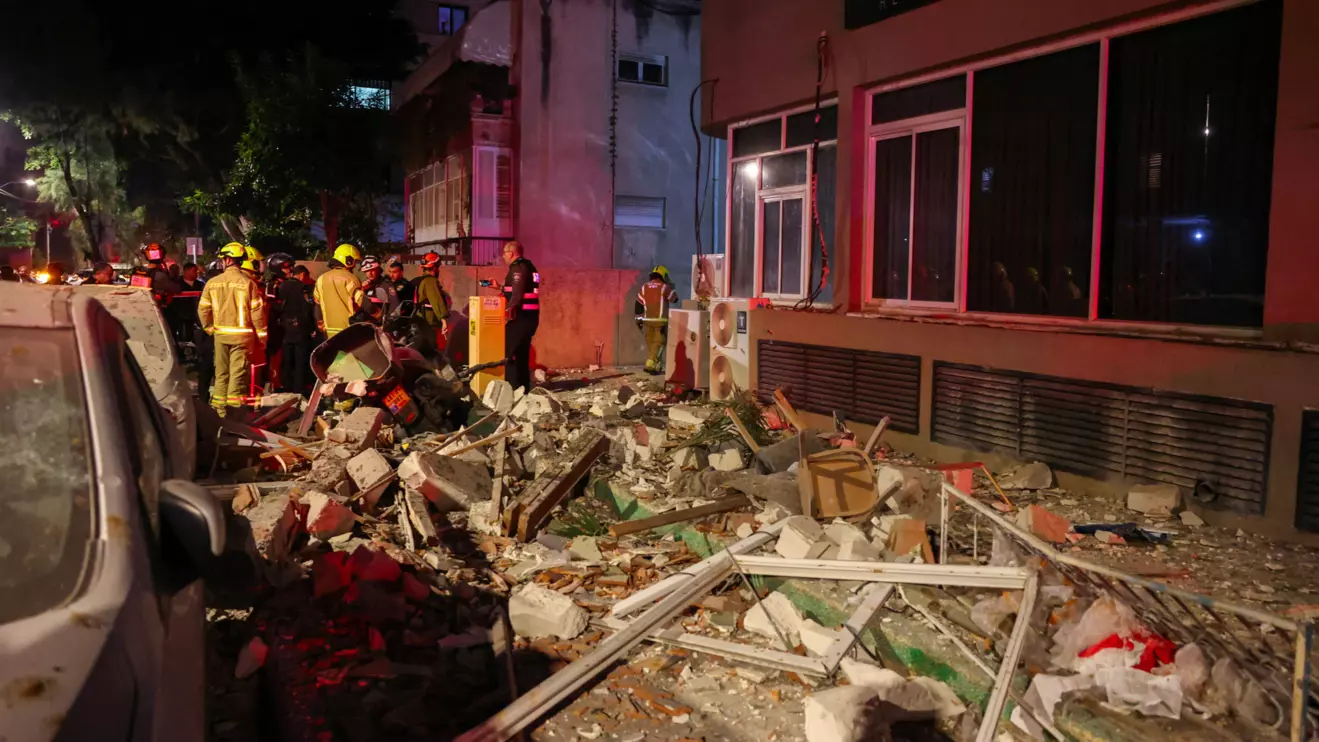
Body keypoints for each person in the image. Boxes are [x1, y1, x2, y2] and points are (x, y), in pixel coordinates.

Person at [198, 242, 266, 416]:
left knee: (221, 375)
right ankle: (234, 412)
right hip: (243, 338)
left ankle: (219, 412)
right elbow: (257, 314)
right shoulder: (248, 284)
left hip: (220, 335)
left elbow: (203, 309)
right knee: (237, 375)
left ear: (227, 260)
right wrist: (262, 337)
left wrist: (210, 328)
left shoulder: (212, 283)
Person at [500, 241, 540, 392]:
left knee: (510, 355)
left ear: (511, 253)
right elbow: (520, 289)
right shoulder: (530, 267)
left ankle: (511, 390)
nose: (503, 256)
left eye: (504, 253)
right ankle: (523, 389)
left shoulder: (518, 268)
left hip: (520, 318)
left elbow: (517, 295)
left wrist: (507, 313)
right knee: (522, 355)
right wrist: (500, 287)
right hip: (530, 317)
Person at [634, 265, 680, 374]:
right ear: (663, 275)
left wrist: (638, 320)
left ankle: (656, 365)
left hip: (647, 321)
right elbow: (675, 299)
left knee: (651, 343)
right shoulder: (664, 287)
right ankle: (650, 363)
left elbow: (638, 305)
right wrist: (671, 287)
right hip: (660, 321)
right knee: (660, 342)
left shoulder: (644, 287)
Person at [279, 264, 316, 394]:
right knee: (300, 360)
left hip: (285, 327)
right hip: (300, 328)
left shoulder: (282, 286)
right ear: (302, 275)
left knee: (287, 359)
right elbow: (307, 308)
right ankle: (298, 388)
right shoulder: (303, 288)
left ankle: (286, 386)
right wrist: (312, 327)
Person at [314, 243, 364, 338]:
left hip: (329, 333)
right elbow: (362, 302)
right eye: (354, 262)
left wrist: (320, 323)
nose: (354, 266)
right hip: (348, 331)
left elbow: (317, 304)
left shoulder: (321, 279)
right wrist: (377, 313)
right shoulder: (351, 278)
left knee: (334, 353)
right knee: (348, 353)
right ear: (349, 261)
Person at [411, 251, 452, 347]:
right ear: (434, 267)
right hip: (427, 323)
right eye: (438, 266)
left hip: (416, 321)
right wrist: (444, 321)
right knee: (431, 349)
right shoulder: (430, 281)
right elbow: (437, 301)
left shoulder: (416, 281)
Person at [360, 255, 403, 320]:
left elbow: (395, 305)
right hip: (364, 323)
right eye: (367, 271)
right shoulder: (364, 286)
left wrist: (388, 321)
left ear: (378, 269)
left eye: (372, 270)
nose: (370, 273)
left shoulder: (386, 285)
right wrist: (362, 289)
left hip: (380, 324)